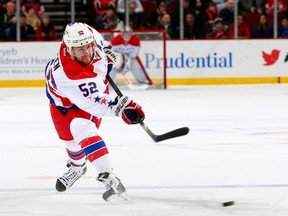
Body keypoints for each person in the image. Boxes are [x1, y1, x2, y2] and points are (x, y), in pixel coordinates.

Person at [45, 22, 145, 203]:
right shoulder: (70, 75)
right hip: (61, 102)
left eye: (88, 47)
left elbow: (78, 26)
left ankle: (111, 180)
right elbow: (94, 103)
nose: (86, 52)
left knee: (81, 127)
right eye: (80, 49)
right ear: (70, 49)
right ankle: (77, 167)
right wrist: (121, 108)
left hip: (87, 98)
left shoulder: (87, 34)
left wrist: (105, 49)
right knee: (70, 142)